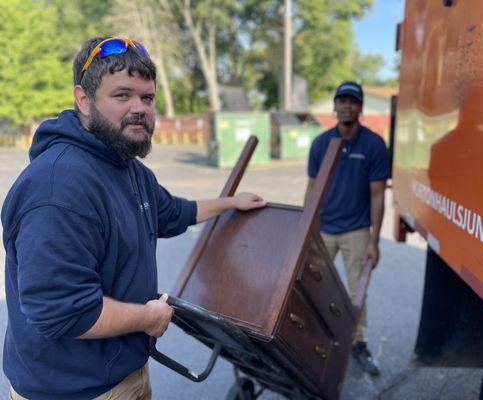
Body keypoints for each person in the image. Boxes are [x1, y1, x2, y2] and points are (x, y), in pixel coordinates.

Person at [1, 37, 265, 400]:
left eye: (148, 97)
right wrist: (150, 318)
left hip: (124, 373)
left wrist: (231, 202)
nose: (139, 108)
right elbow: (61, 312)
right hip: (73, 391)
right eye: (122, 95)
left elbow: (173, 213)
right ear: (83, 99)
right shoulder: (57, 188)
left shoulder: (128, 169)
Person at [305, 81, 388, 376]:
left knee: (357, 291)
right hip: (323, 228)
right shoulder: (321, 144)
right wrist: (306, 229)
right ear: (335, 106)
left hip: (356, 229)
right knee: (313, 286)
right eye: (342, 100)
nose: (346, 106)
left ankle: (358, 343)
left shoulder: (374, 145)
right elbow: (312, 189)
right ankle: (316, 339)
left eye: (353, 101)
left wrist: (374, 241)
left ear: (360, 107)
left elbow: (378, 195)